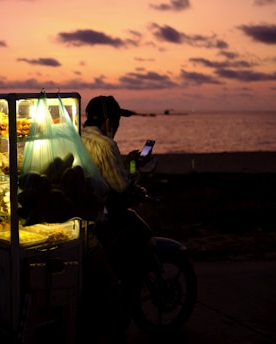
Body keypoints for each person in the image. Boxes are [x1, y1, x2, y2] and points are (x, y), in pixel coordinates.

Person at [80, 95, 154, 343]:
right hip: (100, 218)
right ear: (110, 121)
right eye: (118, 119)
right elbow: (121, 186)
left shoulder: (79, 139)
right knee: (132, 264)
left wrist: (126, 163)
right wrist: (134, 168)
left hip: (84, 213)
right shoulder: (106, 144)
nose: (119, 124)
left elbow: (103, 173)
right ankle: (120, 319)